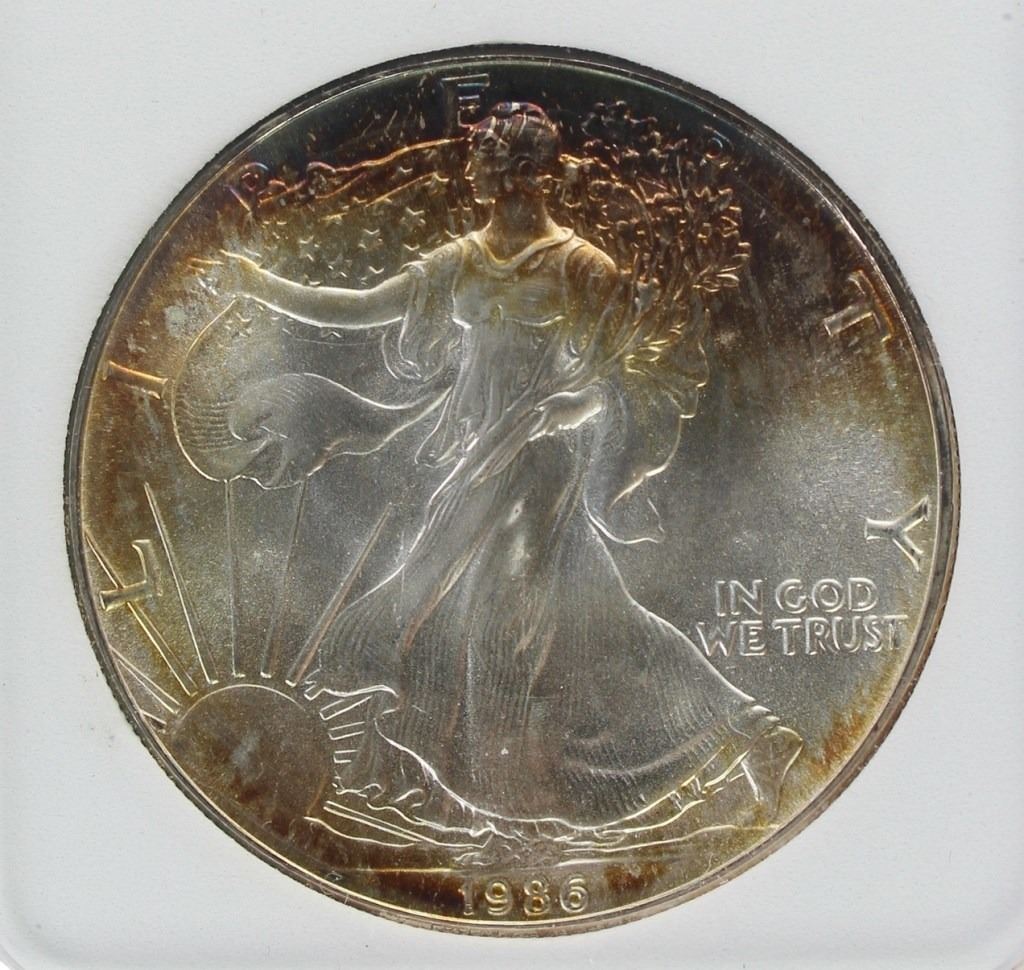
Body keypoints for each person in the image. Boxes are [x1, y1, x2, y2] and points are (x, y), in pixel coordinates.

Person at [223, 103, 801, 841]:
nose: (473, 169)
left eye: (486, 158)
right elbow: (363, 308)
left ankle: (511, 811)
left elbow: (620, 382)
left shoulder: (581, 267)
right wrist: (259, 285)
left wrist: (558, 411)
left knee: (485, 619)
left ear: (520, 172)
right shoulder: (461, 259)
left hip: (538, 467)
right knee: (597, 614)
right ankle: (750, 734)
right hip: (478, 456)